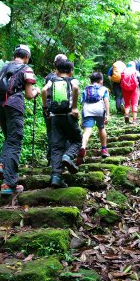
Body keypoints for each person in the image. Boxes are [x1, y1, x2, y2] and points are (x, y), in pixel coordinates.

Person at [0, 44, 40, 196]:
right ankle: (9, 183)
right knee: (15, 141)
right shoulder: (26, 69)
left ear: (15, 55)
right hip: (14, 105)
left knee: (9, 138)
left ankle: (2, 164)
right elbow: (29, 95)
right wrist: (37, 91)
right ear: (26, 57)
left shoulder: (4, 67)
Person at [41, 59, 82, 188]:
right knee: (77, 140)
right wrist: (74, 107)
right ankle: (68, 156)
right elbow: (75, 88)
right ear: (71, 71)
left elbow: (43, 90)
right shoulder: (73, 80)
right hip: (69, 115)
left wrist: (45, 108)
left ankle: (56, 177)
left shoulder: (52, 80)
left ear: (57, 71)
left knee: (56, 146)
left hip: (55, 117)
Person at [76, 72, 110, 165]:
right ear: (101, 81)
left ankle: (83, 147)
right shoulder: (104, 89)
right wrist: (107, 114)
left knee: (87, 131)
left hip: (87, 110)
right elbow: (106, 101)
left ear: (90, 81)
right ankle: (104, 150)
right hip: (99, 109)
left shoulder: (86, 89)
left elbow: (83, 103)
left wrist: (82, 118)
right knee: (101, 128)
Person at [43, 53, 68, 166]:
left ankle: (51, 159)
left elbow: (45, 91)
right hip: (62, 109)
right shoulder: (66, 77)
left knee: (51, 133)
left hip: (48, 107)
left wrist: (44, 107)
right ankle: (62, 158)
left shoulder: (49, 77)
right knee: (63, 133)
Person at [120, 60, 140, 125]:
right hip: (134, 89)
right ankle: (134, 120)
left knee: (127, 104)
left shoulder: (123, 71)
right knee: (134, 104)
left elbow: (121, 80)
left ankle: (126, 115)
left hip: (125, 89)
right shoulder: (136, 71)